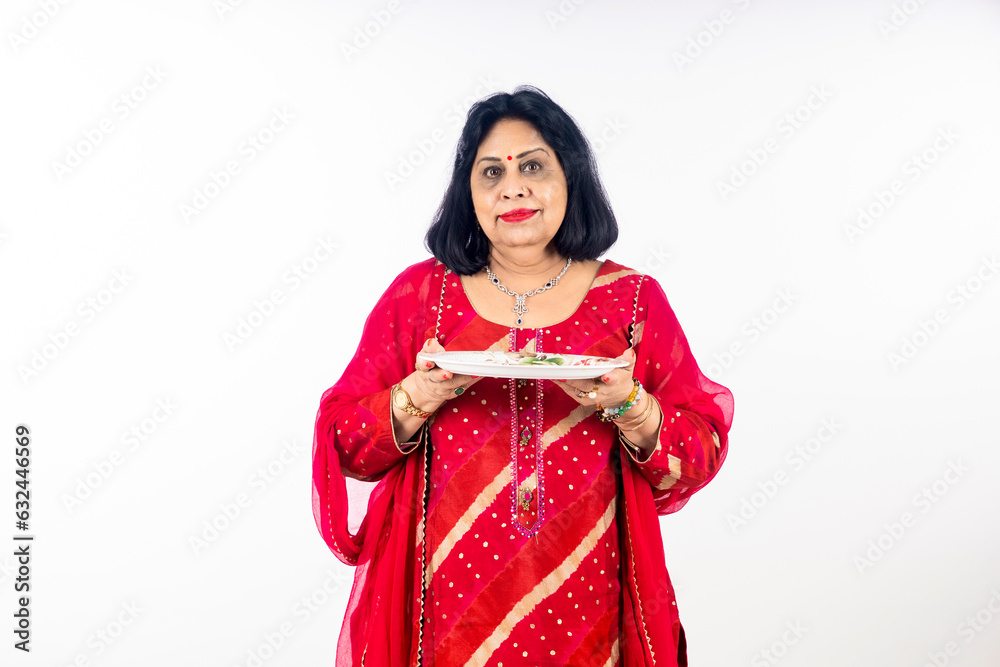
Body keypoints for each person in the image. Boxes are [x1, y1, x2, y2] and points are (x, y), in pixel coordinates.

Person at [312, 85, 734, 667]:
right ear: (469, 193)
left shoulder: (631, 300)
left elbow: (700, 451)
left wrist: (632, 403)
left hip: (593, 604)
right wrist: (416, 395)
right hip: (446, 613)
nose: (512, 187)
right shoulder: (421, 298)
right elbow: (345, 448)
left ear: (572, 179)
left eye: (533, 166)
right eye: (490, 172)